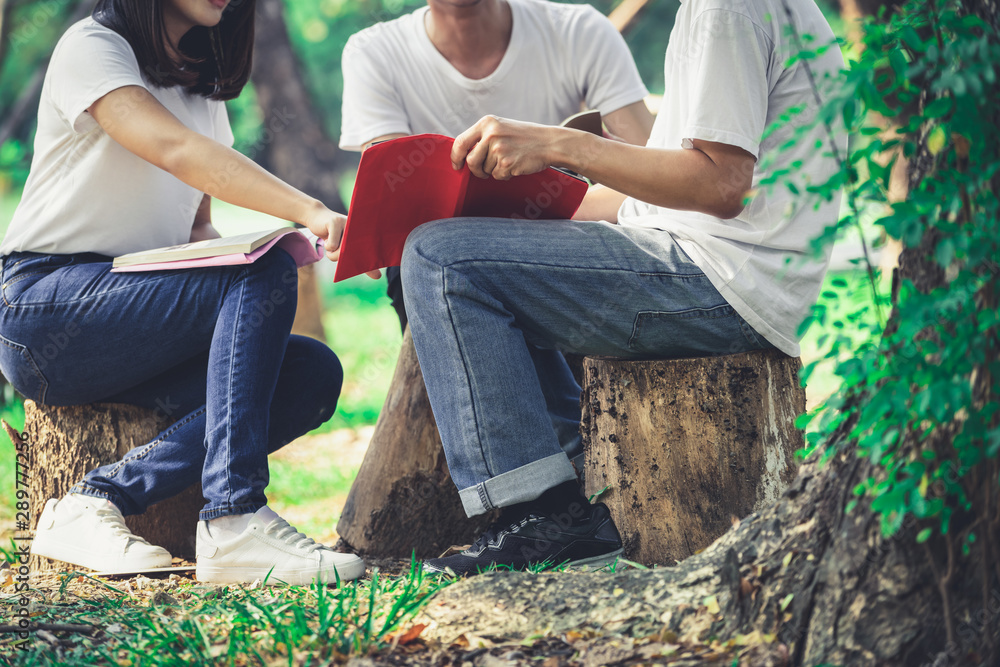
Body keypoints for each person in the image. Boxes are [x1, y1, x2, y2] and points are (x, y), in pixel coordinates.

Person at [400, 0, 847, 575]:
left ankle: (545, 516)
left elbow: (720, 184)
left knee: (441, 258)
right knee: (455, 246)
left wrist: (561, 145)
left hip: (720, 283)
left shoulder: (727, 7)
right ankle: (567, 485)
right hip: (716, 265)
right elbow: (670, 194)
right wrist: (519, 212)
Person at [0, 0, 365, 585]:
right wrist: (308, 212)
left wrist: (236, 305)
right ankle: (234, 520)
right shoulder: (93, 47)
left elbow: (197, 231)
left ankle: (92, 503)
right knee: (262, 266)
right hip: (44, 310)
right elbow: (178, 152)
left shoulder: (202, 89)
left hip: (133, 311)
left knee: (309, 372)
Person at [340, 0, 655, 332]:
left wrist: (560, 194)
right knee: (429, 260)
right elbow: (396, 214)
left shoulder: (578, 30)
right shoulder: (373, 52)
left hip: (569, 246)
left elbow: (653, 184)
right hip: (443, 261)